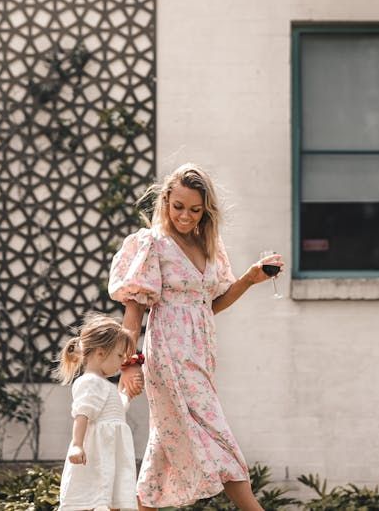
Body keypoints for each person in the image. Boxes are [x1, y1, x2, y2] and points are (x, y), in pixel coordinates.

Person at [108, 163, 284, 511]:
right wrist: (128, 365)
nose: (185, 216)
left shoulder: (208, 246)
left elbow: (209, 306)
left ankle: (140, 505)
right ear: (166, 201)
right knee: (219, 435)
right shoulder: (153, 244)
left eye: (194, 209)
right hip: (168, 358)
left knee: (166, 439)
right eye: (178, 207)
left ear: (205, 210)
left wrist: (249, 278)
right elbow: (134, 311)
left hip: (200, 356)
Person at [54, 313, 141, 511]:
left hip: (111, 451)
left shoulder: (103, 384)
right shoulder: (89, 382)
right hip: (99, 452)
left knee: (110, 496)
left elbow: (115, 411)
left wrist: (127, 395)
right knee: (96, 496)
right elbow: (82, 414)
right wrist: (77, 445)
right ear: (101, 353)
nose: (122, 363)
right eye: (120, 356)